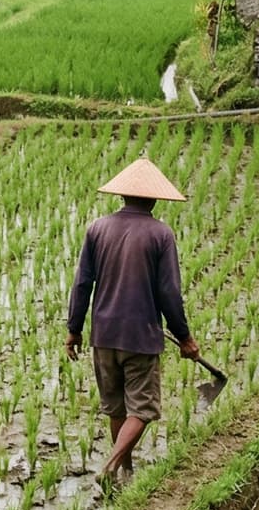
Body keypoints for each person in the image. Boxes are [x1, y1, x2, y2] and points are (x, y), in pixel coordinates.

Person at [65, 156, 199, 491]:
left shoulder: (97, 228)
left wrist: (73, 330)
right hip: (141, 336)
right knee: (142, 408)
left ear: (122, 196)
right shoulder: (160, 234)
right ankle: (112, 465)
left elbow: (82, 284)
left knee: (116, 407)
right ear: (154, 198)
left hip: (104, 334)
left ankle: (123, 474)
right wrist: (184, 337)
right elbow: (169, 291)